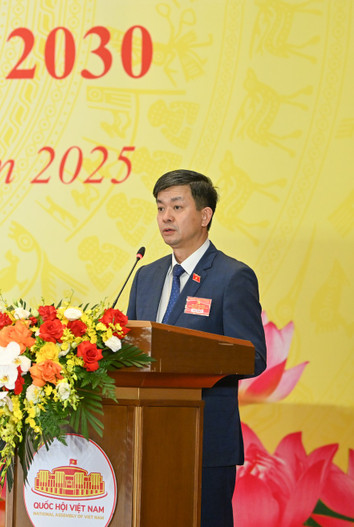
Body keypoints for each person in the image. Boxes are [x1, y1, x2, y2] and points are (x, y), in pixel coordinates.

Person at [127, 169, 267, 527]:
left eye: (177, 207)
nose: (166, 217)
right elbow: (130, 350)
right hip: (145, 437)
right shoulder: (146, 275)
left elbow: (253, 356)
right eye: (160, 208)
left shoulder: (232, 276)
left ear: (205, 216)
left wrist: (189, 357)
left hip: (204, 440)